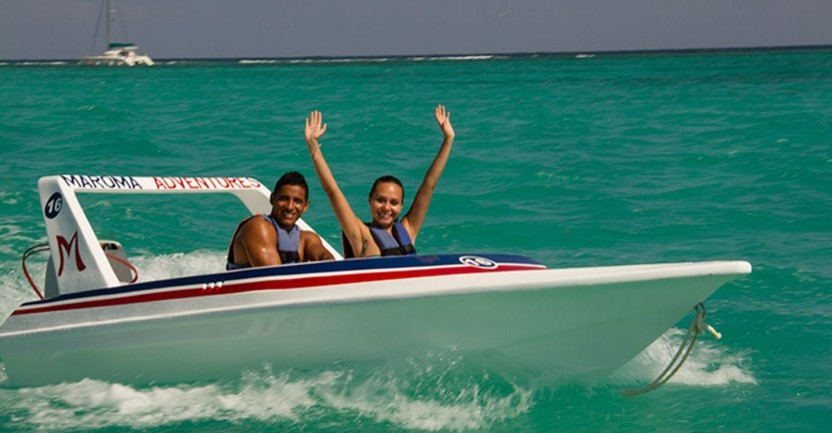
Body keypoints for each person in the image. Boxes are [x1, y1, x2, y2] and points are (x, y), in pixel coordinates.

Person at [304, 105, 455, 258]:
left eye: (394, 203)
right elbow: (332, 190)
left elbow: (429, 185)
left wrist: (448, 139)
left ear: (401, 206)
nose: (386, 208)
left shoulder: (408, 230)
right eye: (380, 200)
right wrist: (312, 143)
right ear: (370, 200)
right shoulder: (361, 234)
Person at [226, 171, 334, 269]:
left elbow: (326, 259)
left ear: (306, 206)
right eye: (284, 199)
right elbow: (273, 277)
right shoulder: (258, 228)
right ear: (273, 199)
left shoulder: (307, 239)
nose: (290, 207)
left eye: (297, 201)